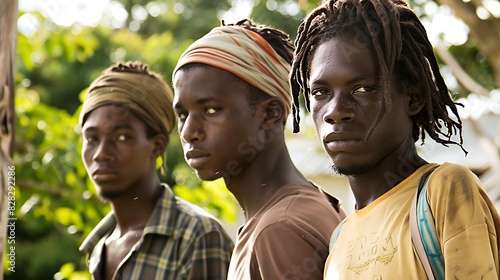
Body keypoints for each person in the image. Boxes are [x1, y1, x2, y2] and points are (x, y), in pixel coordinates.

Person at [289, 0, 500, 278]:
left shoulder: (443, 190)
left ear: (412, 98)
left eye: (363, 89)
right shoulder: (340, 239)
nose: (335, 112)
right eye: (321, 93)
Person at [172, 19, 346, 279]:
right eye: (183, 114)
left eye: (211, 110)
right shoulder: (295, 210)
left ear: (270, 115)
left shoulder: (279, 229)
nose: (189, 132)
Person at [78, 61, 234, 280]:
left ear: (158, 146)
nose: (101, 154)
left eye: (122, 137)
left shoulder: (198, 237)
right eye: (92, 138)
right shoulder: (99, 246)